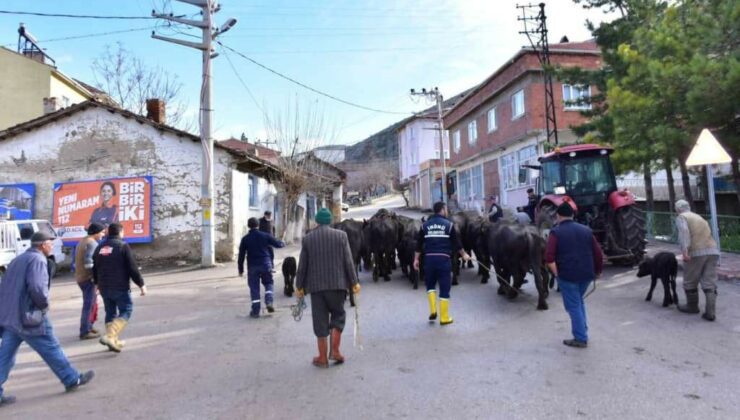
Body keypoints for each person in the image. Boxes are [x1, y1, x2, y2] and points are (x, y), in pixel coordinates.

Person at [0, 232, 95, 406]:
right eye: (50, 243)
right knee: (50, 347)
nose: (52, 245)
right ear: (43, 245)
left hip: (11, 317)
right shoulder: (37, 260)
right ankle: (71, 379)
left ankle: (71, 378)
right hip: (29, 316)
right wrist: (43, 305)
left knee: (5, 357)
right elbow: (37, 287)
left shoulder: (18, 260)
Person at [295, 208, 360, 368]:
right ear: (330, 221)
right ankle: (335, 351)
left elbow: (302, 265)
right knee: (338, 316)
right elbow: (348, 261)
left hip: (316, 288)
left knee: (320, 321)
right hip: (338, 286)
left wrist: (299, 286)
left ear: (317, 221)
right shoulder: (341, 236)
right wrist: (354, 282)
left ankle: (322, 357)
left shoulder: (308, 239)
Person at [545, 202, 603, 348]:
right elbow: (598, 254)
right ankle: (583, 329)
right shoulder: (587, 230)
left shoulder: (555, 232)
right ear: (572, 215)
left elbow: (549, 258)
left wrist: (557, 275)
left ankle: (580, 338)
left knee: (573, 306)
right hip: (587, 274)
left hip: (568, 276)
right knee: (579, 302)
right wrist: (598, 271)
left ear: (558, 216)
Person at [413, 201, 470, 325]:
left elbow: (418, 244)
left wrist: (416, 259)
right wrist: (464, 255)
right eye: (446, 209)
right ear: (443, 210)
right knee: (444, 288)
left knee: (430, 285)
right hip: (443, 260)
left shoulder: (424, 226)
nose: (447, 211)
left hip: (429, 260)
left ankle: (433, 310)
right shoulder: (449, 225)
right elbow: (457, 243)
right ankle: (444, 318)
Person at [92, 223, 146, 353]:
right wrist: (141, 284)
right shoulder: (123, 246)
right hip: (120, 286)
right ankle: (110, 336)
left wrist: (97, 284)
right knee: (126, 309)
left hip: (104, 287)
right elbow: (132, 267)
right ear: (121, 232)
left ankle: (113, 341)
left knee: (110, 313)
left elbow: (95, 267)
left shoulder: (99, 247)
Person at [674, 199, 719, 321]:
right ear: (688, 207)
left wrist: (685, 252)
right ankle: (710, 313)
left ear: (678, 209)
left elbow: (684, 233)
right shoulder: (699, 217)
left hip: (697, 252)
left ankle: (692, 307)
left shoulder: (682, 217)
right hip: (713, 251)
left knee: (689, 281)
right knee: (709, 282)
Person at [238, 217, 285, 318]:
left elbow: (241, 255)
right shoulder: (265, 235)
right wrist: (282, 243)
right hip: (265, 264)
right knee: (268, 283)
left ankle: (255, 311)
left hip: (252, 267)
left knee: (254, 288)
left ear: (248, 226)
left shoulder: (245, 239)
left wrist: (240, 270)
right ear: (258, 225)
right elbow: (278, 244)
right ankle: (269, 301)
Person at [75, 222, 105, 340]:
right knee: (89, 304)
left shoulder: (83, 241)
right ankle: (85, 331)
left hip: (81, 277)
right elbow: (88, 264)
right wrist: (96, 278)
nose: (103, 235)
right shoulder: (92, 243)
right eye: (102, 232)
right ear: (96, 232)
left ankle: (89, 326)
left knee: (92, 304)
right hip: (88, 279)